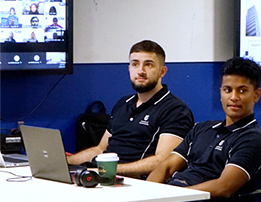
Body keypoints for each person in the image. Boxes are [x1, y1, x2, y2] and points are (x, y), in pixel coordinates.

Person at [102, 57, 261, 202]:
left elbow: (224, 187)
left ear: (255, 95)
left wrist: (176, 196)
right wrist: (145, 197)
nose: (234, 97)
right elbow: (166, 166)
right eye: (228, 90)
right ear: (220, 92)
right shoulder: (202, 129)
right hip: (176, 198)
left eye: (242, 91)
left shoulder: (252, 139)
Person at [67, 40, 194, 178]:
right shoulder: (123, 103)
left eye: (148, 64)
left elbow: (163, 161)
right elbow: (100, 149)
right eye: (135, 64)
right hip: (104, 176)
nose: (140, 71)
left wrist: (108, 170)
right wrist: (65, 161)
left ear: (162, 72)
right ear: (129, 68)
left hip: (135, 183)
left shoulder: (175, 110)